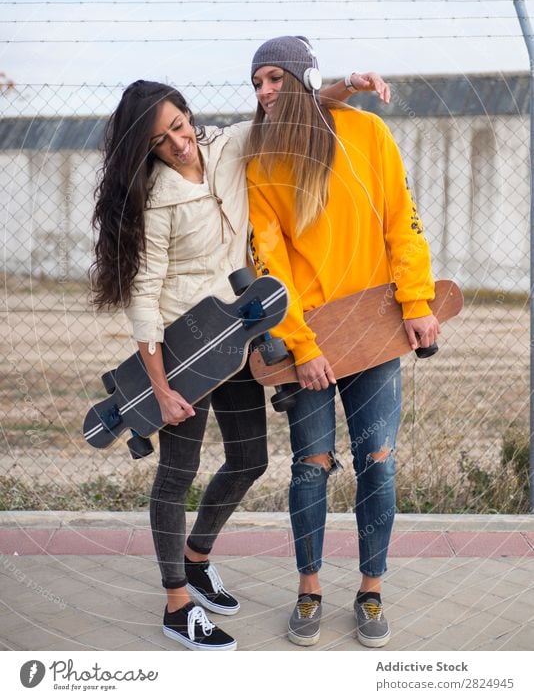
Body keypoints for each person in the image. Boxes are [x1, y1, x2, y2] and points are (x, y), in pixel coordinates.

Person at [90, 68, 388, 651]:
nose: (178, 144)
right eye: (160, 141)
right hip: (181, 353)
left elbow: (291, 109)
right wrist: (159, 388)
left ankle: (196, 558)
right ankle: (177, 604)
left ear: (187, 114)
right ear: (145, 150)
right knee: (176, 475)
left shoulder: (227, 147)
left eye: (179, 126)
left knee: (250, 460)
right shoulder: (155, 199)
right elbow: (144, 296)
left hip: (232, 342)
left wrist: (347, 87)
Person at [246, 36, 440, 648]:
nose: (264, 92)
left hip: (376, 327)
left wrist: (416, 302)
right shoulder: (264, 160)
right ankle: (308, 592)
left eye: (275, 78)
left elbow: (401, 221)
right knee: (311, 467)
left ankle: (371, 588)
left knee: (378, 462)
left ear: (303, 78)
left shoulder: (369, 135)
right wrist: (301, 347)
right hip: (312, 336)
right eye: (257, 83)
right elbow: (268, 264)